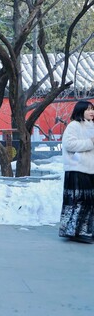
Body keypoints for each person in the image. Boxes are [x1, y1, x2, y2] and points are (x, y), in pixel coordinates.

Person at [59, 100, 94, 243]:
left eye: (92, 109)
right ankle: (74, 231)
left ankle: (87, 231)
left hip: (90, 170)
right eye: (87, 109)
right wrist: (90, 142)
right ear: (80, 111)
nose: (91, 111)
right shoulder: (74, 125)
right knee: (79, 201)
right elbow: (69, 144)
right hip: (77, 169)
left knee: (90, 202)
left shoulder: (92, 126)